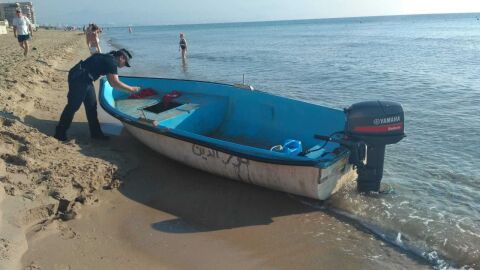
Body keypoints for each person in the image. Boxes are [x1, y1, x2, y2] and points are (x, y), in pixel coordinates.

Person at [54, 49, 140, 141]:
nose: (124, 66)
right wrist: (131, 89)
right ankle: (59, 132)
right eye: (125, 63)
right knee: (73, 106)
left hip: (85, 78)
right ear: (121, 57)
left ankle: (96, 134)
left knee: (91, 106)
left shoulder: (109, 58)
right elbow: (114, 83)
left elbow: (111, 79)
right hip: (79, 77)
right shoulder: (112, 62)